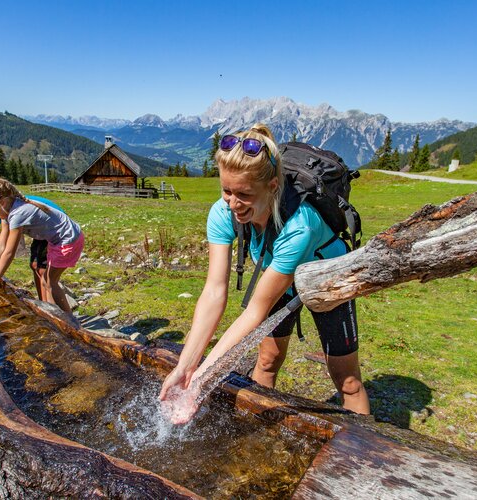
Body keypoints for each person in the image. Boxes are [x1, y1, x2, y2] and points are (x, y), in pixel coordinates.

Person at [158, 124, 369, 422]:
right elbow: (214, 292)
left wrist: (200, 381)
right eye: (226, 190)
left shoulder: (299, 226)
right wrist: (185, 368)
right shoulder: (222, 212)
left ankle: (361, 450)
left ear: (272, 186)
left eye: (244, 194)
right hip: (279, 275)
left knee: (347, 381)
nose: (233, 204)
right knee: (268, 360)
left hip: (328, 280)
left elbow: (255, 311)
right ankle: (257, 430)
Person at [0, 176, 84, 316]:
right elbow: (1, 247)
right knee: (46, 280)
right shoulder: (11, 207)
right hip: (60, 239)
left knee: (50, 282)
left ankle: (69, 320)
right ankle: (54, 314)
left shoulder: (17, 215)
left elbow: (9, 252)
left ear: (1, 202)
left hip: (67, 240)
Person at [0, 193, 66, 302]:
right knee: (35, 265)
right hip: (41, 230)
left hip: (54, 228)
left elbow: (6, 249)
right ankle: (43, 301)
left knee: (42, 270)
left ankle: (50, 305)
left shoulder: (10, 212)